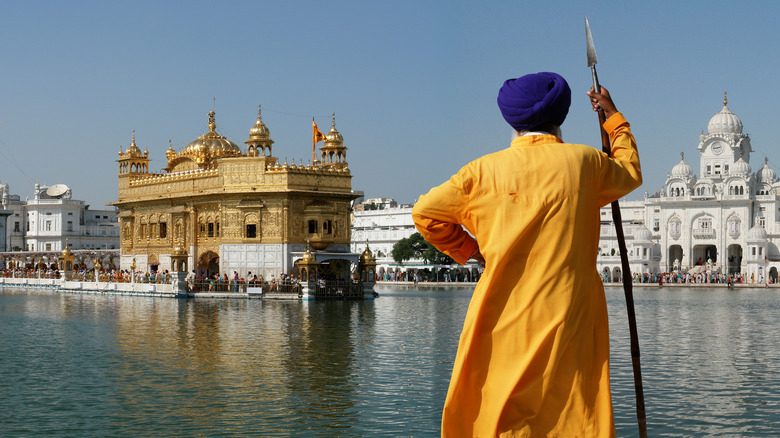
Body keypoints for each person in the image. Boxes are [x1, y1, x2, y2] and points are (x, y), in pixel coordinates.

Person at [412, 72, 642, 437]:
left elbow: (424, 213)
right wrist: (614, 120)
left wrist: (469, 250)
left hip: (503, 310)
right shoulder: (585, 163)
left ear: (511, 119)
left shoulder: (481, 172)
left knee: (499, 406)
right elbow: (629, 172)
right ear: (561, 115)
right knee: (572, 405)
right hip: (570, 311)